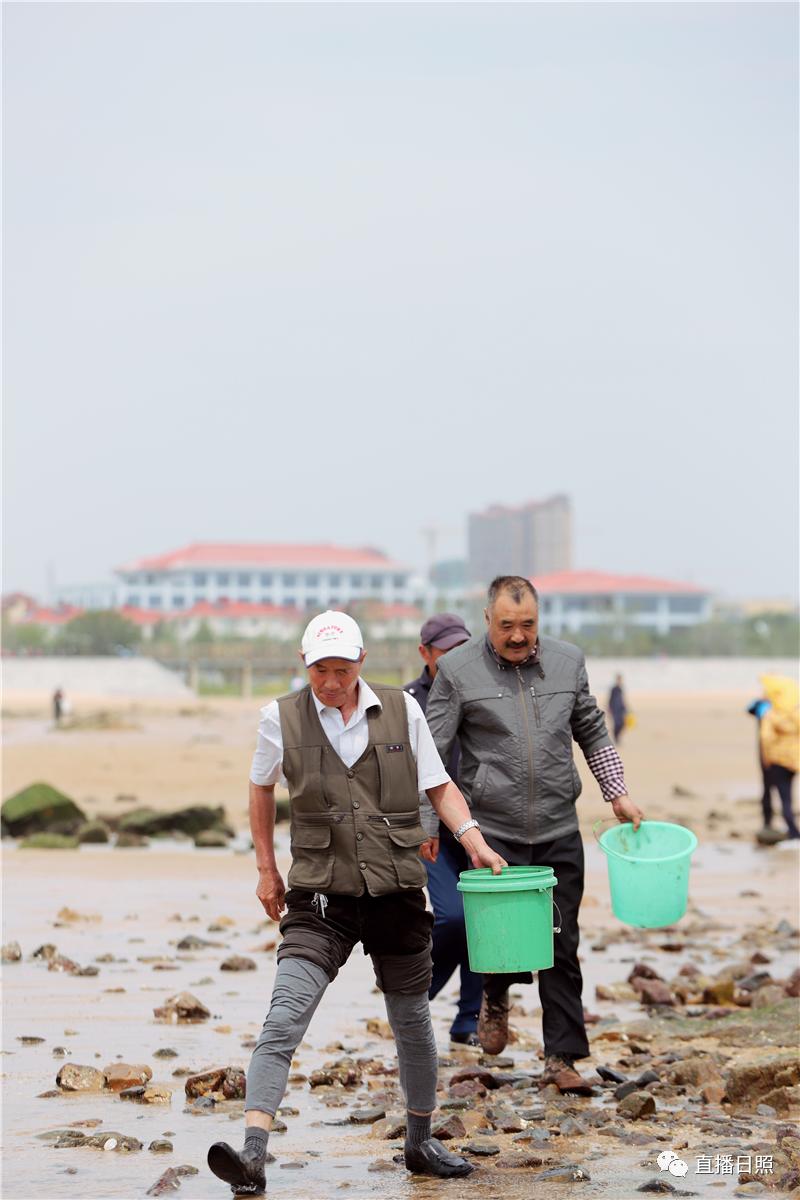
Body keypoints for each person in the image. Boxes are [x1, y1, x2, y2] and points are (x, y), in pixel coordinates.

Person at [207, 610, 506, 1195]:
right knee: (284, 1017)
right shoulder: (280, 718)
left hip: (395, 890)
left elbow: (438, 784)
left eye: (342, 670)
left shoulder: (403, 710)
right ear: (305, 665)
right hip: (321, 896)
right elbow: (261, 787)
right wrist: (267, 870)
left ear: (361, 663)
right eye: (320, 670)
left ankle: (420, 1143)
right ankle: (252, 1153)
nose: (331, 683)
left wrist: (473, 840)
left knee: (413, 1022)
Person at [426, 576, 643, 1093]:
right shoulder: (457, 670)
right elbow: (431, 754)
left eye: (527, 625)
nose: (519, 636)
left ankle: (562, 1059)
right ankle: (494, 997)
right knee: (502, 939)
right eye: (507, 626)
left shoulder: (568, 662)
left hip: (557, 826)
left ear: (539, 621)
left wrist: (617, 791)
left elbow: (590, 727)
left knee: (561, 941)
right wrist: (427, 826)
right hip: (491, 831)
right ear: (487, 621)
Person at [404, 612, 483, 1046]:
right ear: (426, 654)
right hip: (429, 831)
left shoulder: (484, 695)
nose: (455, 661)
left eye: (463, 651)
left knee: (482, 921)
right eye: (446, 652)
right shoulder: (406, 702)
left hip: (482, 827)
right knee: (452, 917)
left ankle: (468, 1019)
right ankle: (418, 993)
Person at [759, 675, 800, 841]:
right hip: (793, 762)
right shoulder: (795, 714)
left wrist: (766, 759)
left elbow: (765, 739)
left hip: (776, 762)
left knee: (782, 797)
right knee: (789, 796)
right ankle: (792, 830)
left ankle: (793, 833)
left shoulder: (770, 715)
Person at [607, 674, 627, 743]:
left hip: (621, 709)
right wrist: (609, 708)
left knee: (623, 724)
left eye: (620, 680)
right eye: (619, 679)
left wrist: (625, 708)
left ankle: (617, 737)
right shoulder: (614, 689)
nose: (620, 681)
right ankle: (616, 738)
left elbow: (622, 700)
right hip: (614, 709)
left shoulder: (621, 689)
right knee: (616, 724)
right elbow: (610, 699)